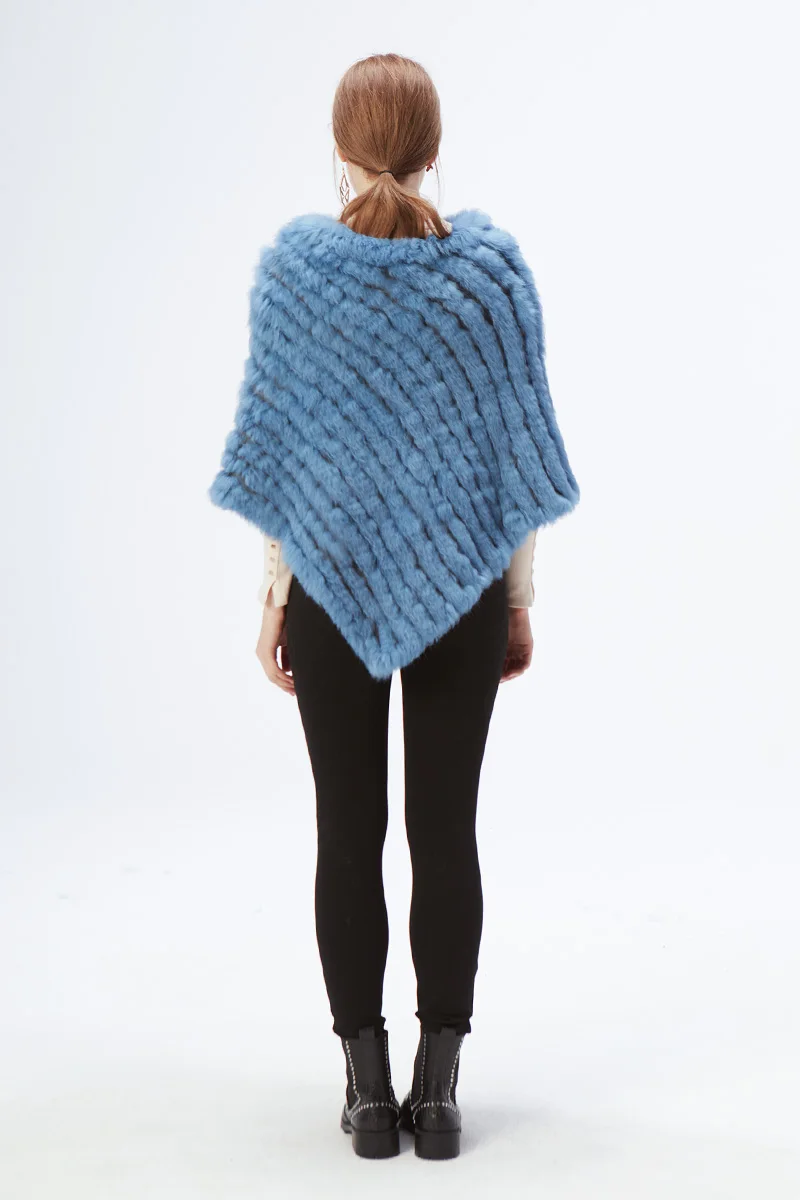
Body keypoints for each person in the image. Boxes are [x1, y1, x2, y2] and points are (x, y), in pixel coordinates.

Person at [209, 52, 580, 1161]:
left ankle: (368, 1094)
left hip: (327, 594)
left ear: (339, 151)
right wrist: (516, 602)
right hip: (464, 598)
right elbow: (509, 470)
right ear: (434, 149)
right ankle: (439, 1090)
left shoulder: (294, 274)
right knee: (444, 829)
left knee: (348, 830)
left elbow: (289, 464)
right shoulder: (488, 276)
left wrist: (275, 598)